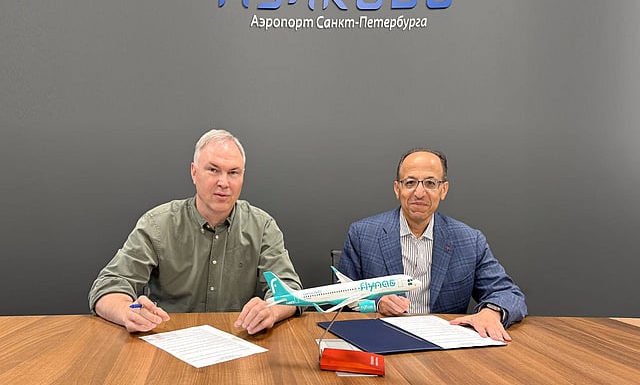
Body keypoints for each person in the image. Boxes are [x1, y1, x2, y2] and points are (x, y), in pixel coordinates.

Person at [89, 129, 302, 335]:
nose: (223, 182)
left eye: (233, 172)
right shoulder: (157, 224)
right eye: (213, 170)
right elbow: (108, 286)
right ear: (194, 172)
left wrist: (271, 311)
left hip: (237, 338)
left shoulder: (262, 226)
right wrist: (127, 312)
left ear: (243, 176)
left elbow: (290, 289)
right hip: (169, 339)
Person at [339, 148, 527, 342]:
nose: (419, 193)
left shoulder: (469, 240)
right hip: (381, 339)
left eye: (430, 183)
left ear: (443, 190)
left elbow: (508, 293)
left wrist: (491, 312)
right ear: (397, 189)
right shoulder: (363, 234)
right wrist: (377, 303)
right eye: (410, 182)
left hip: (444, 345)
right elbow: (341, 296)